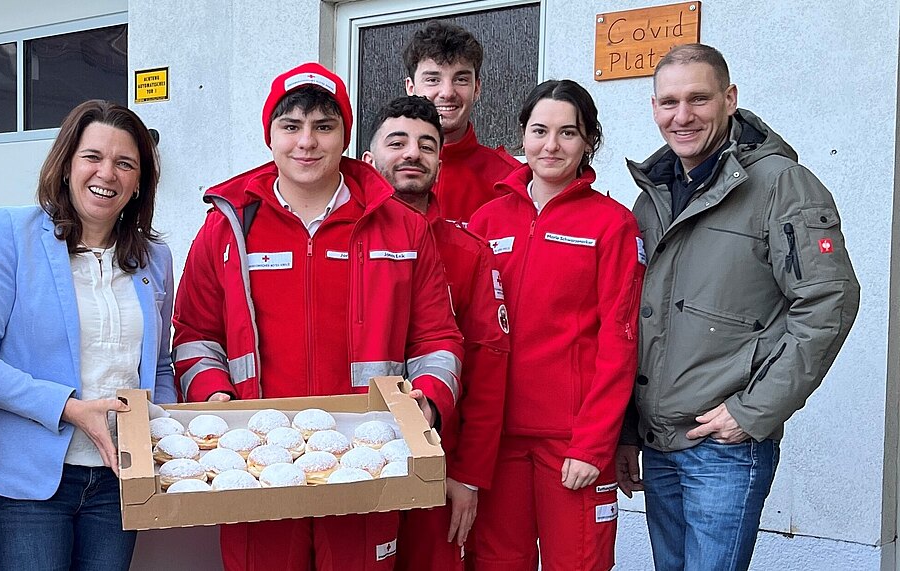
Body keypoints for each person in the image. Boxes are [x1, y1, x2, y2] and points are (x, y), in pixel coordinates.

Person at [172, 62, 463, 570]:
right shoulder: (227, 227)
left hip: (366, 462)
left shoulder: (401, 226)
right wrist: (214, 397)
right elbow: (196, 335)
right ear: (270, 136)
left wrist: (429, 403)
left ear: (345, 137)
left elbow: (437, 338)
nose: (306, 142)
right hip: (257, 463)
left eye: (323, 127)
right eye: (291, 126)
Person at [615, 44, 860, 571]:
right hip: (661, 445)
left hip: (723, 447)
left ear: (729, 99)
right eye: (669, 102)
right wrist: (630, 431)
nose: (682, 116)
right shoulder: (652, 194)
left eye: (699, 99)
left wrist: (752, 411)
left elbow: (828, 301)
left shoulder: (779, 185)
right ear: (654, 107)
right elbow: (641, 319)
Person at [0, 100, 175, 571]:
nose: (106, 173)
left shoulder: (155, 257)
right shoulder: (10, 233)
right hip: (26, 484)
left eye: (124, 163)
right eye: (93, 156)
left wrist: (162, 438)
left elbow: (159, 366)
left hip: (117, 482)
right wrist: (67, 407)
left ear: (138, 183)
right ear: (67, 162)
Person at [468, 79, 644, 571]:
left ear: (589, 141)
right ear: (522, 135)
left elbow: (620, 339)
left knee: (579, 564)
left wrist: (593, 442)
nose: (551, 145)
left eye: (568, 133)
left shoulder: (612, 225)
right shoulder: (487, 220)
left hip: (572, 441)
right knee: (498, 562)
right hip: (497, 440)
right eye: (539, 130)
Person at [361, 95, 509, 570]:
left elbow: (487, 372)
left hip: (439, 461)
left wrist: (467, 474)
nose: (412, 154)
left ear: (440, 164)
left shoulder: (468, 253)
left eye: (427, 145)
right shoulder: (335, 243)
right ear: (368, 160)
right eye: (397, 142)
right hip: (356, 457)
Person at [404, 21, 521, 227]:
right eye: (433, 80)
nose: (447, 92)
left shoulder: (510, 180)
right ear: (411, 87)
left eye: (461, 79)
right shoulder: (383, 172)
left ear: (477, 88)